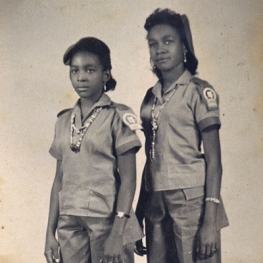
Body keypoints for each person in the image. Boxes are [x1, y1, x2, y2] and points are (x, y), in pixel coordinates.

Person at [134, 8, 229, 263]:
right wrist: (138, 214)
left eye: (168, 41)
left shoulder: (198, 91)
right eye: (153, 44)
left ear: (184, 46)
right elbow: (150, 157)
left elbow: (214, 162)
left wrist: (210, 221)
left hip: (193, 202)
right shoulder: (149, 97)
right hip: (156, 203)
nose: (160, 50)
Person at [44, 37, 143, 263]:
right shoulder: (63, 121)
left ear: (105, 74)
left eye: (90, 70)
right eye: (74, 70)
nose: (81, 77)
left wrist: (118, 233)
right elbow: (58, 180)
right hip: (69, 222)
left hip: (108, 221)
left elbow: (129, 180)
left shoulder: (118, 116)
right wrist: (49, 233)